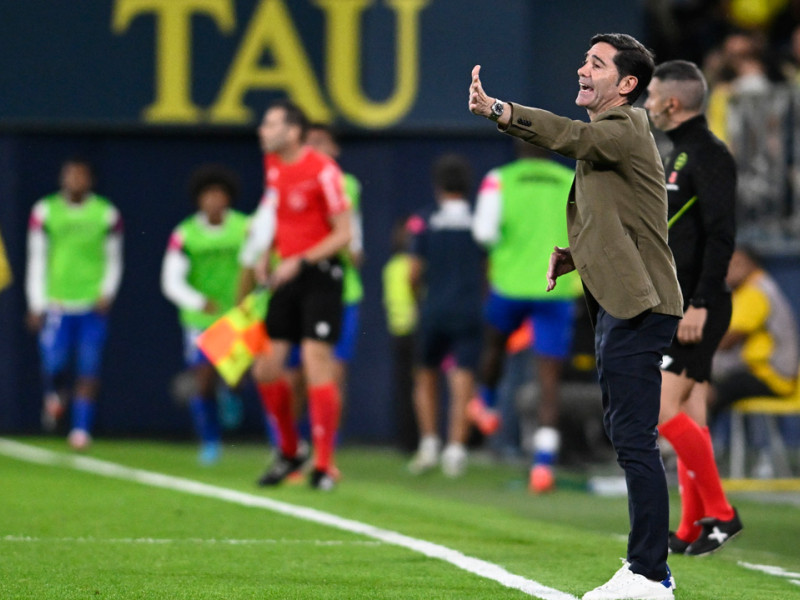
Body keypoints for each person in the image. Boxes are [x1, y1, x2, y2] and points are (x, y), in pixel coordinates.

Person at [469, 33, 683, 600]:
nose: (582, 69)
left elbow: (570, 137)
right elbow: (625, 218)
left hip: (640, 305)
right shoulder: (616, 138)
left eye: (596, 63)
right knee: (628, 436)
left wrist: (502, 111)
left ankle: (650, 575)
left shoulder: (622, 127)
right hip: (624, 299)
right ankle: (644, 568)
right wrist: (575, 255)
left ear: (627, 85)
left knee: (635, 440)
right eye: (584, 59)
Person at [644, 59, 744, 557]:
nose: (646, 104)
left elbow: (721, 236)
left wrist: (700, 302)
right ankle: (689, 526)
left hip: (698, 307)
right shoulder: (682, 154)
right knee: (691, 412)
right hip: (681, 303)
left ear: (673, 102)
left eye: (651, 95)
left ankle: (723, 513)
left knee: (661, 411)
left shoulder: (709, 155)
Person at [240, 99, 351, 491]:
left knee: (314, 359)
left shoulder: (323, 170)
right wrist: (265, 254)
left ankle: (324, 465)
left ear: (292, 132)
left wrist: (300, 261)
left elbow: (344, 235)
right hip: (286, 275)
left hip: (320, 275)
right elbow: (278, 214)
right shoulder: (273, 166)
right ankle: (291, 451)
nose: (262, 130)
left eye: (269, 124)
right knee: (265, 368)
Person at [471, 139, 579, 493]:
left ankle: (486, 404)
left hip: (510, 285)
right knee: (549, 382)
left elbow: (483, 233)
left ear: (517, 148)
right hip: (557, 288)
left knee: (494, 346)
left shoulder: (499, 179)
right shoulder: (569, 179)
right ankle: (543, 466)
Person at [25, 158, 123, 450]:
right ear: (62, 178)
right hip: (57, 301)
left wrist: (108, 291)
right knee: (55, 364)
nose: (75, 181)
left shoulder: (106, 213)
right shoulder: (44, 211)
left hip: (92, 303)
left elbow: (114, 259)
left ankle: (81, 430)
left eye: (81, 176)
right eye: (70, 175)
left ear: (90, 180)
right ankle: (55, 395)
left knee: (88, 367)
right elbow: (37, 258)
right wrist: (35, 302)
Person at [161, 165, 249, 465]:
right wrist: (198, 301)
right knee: (203, 380)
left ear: (229, 198)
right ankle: (210, 441)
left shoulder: (245, 228)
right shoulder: (185, 233)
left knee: (235, 378)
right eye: (207, 194)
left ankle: (233, 394)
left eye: (219, 194)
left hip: (237, 316)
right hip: (199, 320)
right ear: (199, 199)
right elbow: (170, 280)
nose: (213, 200)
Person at [405, 154, 484, 478]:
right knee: (462, 378)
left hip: (434, 309)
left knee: (425, 375)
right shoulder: (478, 221)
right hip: (468, 309)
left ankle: (428, 444)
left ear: (437, 185)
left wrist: (418, 301)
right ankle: (455, 450)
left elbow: (412, 273)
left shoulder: (424, 220)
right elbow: (488, 268)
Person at [711, 247, 799, 418]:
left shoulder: (755, 291)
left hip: (772, 377)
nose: (729, 269)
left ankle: (684, 440)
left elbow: (726, 342)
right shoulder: (757, 287)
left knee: (703, 390)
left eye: (736, 263)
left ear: (752, 264)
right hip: (765, 373)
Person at [382, 218, 419, 452]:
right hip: (411, 332)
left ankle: (408, 442)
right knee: (413, 388)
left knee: (406, 388)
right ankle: (411, 441)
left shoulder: (392, 266)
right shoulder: (411, 265)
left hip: (400, 333)